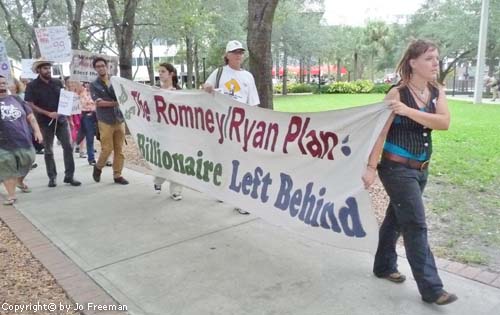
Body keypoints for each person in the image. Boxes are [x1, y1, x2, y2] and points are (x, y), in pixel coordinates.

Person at [362, 39, 457, 305]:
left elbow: (444, 122)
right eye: (429, 58)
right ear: (413, 63)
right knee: (415, 223)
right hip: (395, 167)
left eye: (437, 58)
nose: (435, 63)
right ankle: (432, 289)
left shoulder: (437, 91)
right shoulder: (396, 94)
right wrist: (370, 168)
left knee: (397, 218)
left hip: (421, 168)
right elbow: (379, 132)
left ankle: (383, 265)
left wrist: (409, 112)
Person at [204, 40, 260, 215]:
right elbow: (206, 88)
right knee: (223, 159)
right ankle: (221, 189)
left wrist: (255, 125)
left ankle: (240, 199)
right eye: (235, 52)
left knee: (241, 161)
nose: (238, 55)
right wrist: (207, 87)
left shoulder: (248, 76)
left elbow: (253, 103)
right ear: (227, 55)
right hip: (221, 124)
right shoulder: (219, 72)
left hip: (242, 125)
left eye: (240, 52)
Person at [24, 58, 81, 187]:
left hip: (61, 120)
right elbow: (30, 104)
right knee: (48, 150)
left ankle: (70, 176)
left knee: (68, 146)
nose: (48, 70)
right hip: (44, 122)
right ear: (38, 70)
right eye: (45, 68)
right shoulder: (32, 86)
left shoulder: (58, 82)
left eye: (49, 68)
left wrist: (67, 114)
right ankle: (52, 177)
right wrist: (47, 113)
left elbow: (64, 100)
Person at [0, 75, 43, 204]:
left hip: (23, 139)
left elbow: (30, 117)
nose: (1, 85)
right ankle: (11, 195)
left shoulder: (16, 99)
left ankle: (20, 180)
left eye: (3, 83)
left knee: (29, 159)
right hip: (3, 143)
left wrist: (37, 131)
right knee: (7, 165)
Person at [89, 57, 128, 185]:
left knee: (119, 149)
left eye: (102, 65)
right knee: (107, 149)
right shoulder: (93, 85)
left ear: (107, 67)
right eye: (98, 66)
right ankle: (98, 166)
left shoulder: (115, 80)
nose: (101, 68)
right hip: (105, 120)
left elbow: (124, 94)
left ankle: (117, 175)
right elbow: (99, 103)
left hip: (119, 118)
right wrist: (116, 103)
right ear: (95, 69)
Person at [153, 63, 184, 200]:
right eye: (159, 71)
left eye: (163, 71)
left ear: (171, 74)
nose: (160, 74)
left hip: (176, 132)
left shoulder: (180, 92)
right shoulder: (154, 91)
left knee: (177, 160)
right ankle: (158, 180)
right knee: (163, 159)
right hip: (160, 131)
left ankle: (176, 190)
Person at [75, 82, 97, 165]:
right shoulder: (81, 92)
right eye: (86, 83)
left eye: (90, 82)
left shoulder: (96, 91)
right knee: (89, 136)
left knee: (103, 136)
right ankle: (91, 158)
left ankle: (106, 158)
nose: (88, 84)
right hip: (86, 115)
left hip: (98, 115)